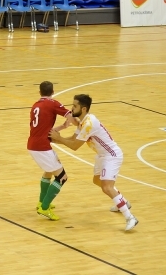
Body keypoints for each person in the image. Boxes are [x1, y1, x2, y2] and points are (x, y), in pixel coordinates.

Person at [49, 94, 139, 231]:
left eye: (74, 106)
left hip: (112, 156)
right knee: (97, 181)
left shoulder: (89, 123)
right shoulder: (82, 122)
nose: (71, 109)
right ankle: (123, 201)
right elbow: (73, 139)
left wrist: (58, 139)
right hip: (102, 156)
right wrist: (55, 139)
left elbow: (74, 146)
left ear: (83, 109)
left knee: (106, 187)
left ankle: (130, 217)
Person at [28, 81, 72, 221]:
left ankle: (41, 202)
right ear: (53, 92)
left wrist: (62, 127)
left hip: (33, 144)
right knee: (62, 177)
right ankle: (44, 207)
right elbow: (70, 115)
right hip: (42, 147)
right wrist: (80, 125)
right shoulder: (52, 103)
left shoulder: (35, 106)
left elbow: (45, 131)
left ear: (39, 92)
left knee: (48, 172)